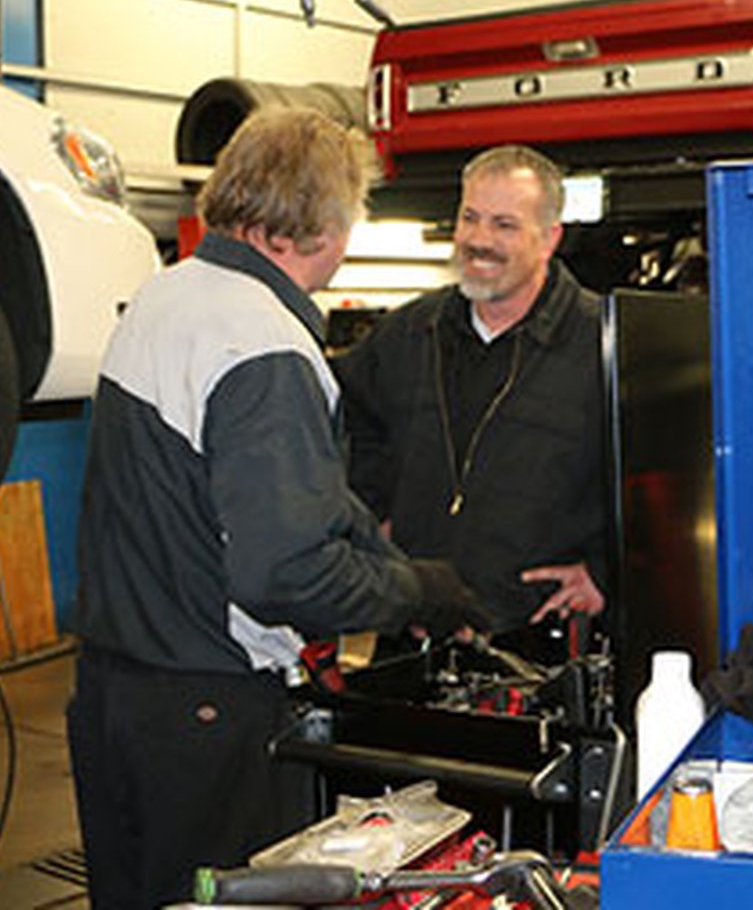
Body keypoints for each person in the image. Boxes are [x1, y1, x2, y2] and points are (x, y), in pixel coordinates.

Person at [66, 107, 487, 910]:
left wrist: (388, 559)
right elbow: (285, 574)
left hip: (114, 697)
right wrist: (423, 591)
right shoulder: (262, 344)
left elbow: (249, 500)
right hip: (205, 712)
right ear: (328, 226)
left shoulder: (167, 296)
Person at [334, 144, 606, 650]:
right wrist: (370, 520)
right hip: (412, 639)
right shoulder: (409, 334)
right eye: (470, 218)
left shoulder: (603, 346)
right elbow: (346, 420)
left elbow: (664, 480)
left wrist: (604, 574)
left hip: (539, 646)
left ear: (549, 238)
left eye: (504, 224)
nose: (479, 241)